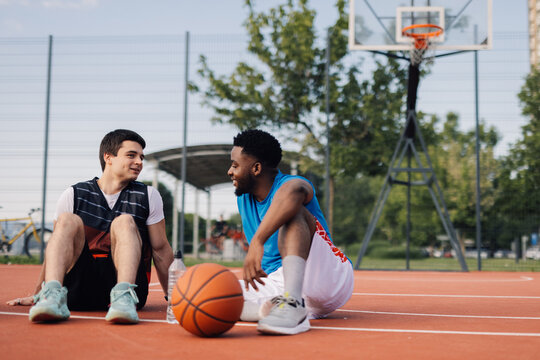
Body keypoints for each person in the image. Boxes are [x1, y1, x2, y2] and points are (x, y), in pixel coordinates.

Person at [6, 129, 174, 324]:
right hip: (77, 288)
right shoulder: (74, 194)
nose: (139, 162)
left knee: (125, 221)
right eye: (131, 155)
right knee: (67, 220)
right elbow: (56, 248)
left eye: (141, 157)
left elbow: (161, 250)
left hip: (128, 288)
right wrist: (37, 294)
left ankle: (122, 297)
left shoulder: (148, 195)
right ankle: (51, 296)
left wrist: (176, 296)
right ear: (108, 157)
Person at [227, 129, 354, 335]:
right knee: (209, 293)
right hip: (279, 282)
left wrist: (258, 240)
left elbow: (295, 190)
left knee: (293, 211)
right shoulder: (244, 198)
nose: (230, 171)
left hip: (326, 275)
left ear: (256, 168)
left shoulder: (289, 185)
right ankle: (271, 309)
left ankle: (293, 304)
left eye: (235, 165)